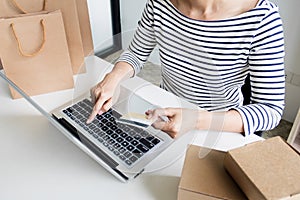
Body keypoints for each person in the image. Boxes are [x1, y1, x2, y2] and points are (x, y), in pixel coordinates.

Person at [87, 0, 285, 139]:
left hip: (217, 126)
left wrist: (194, 120)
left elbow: (270, 111)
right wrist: (112, 78)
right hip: (162, 114)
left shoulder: (263, 20)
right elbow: (136, 54)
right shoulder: (159, 4)